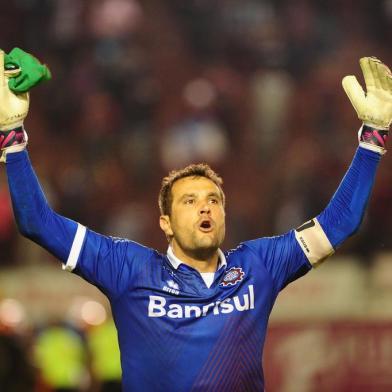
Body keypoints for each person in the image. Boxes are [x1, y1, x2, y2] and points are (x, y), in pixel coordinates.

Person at [0, 49, 391, 391]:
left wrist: (372, 138)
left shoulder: (258, 265)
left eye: (214, 200)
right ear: (165, 222)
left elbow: (340, 222)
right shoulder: (127, 267)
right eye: (189, 201)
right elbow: (37, 221)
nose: (205, 207)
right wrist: (12, 137)